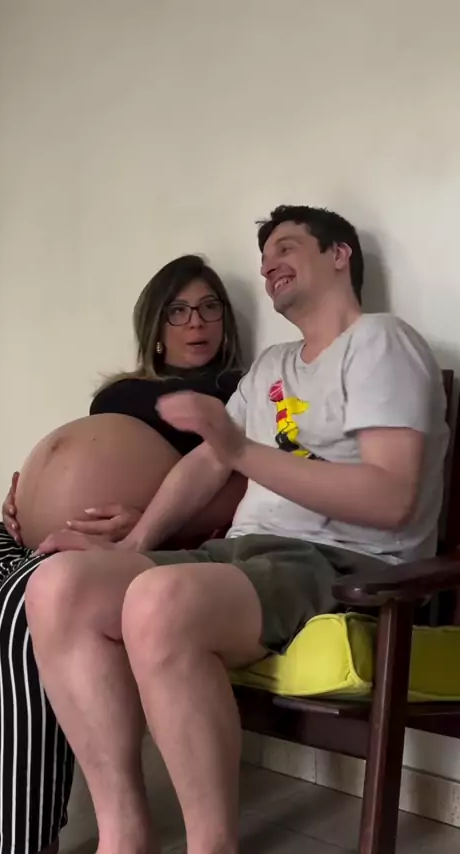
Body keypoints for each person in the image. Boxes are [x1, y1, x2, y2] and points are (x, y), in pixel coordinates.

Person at [25, 206, 449, 854]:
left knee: (160, 600)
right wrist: (131, 546)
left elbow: (391, 499)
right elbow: (205, 464)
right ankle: (124, 835)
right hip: (241, 555)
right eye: (264, 255)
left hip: (340, 561)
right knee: (59, 587)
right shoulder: (273, 364)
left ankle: (212, 846)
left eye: (287, 246)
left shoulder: (381, 342)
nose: (268, 264)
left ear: (339, 255)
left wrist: (242, 450)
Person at [0, 254, 245, 854]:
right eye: (179, 310)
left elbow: (240, 487)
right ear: (156, 327)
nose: (196, 322)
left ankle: (25, 839)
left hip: (132, 549)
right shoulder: (121, 393)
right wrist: (21, 499)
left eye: (210, 308)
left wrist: (146, 522)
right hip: (42, 532)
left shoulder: (236, 393)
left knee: (19, 606)